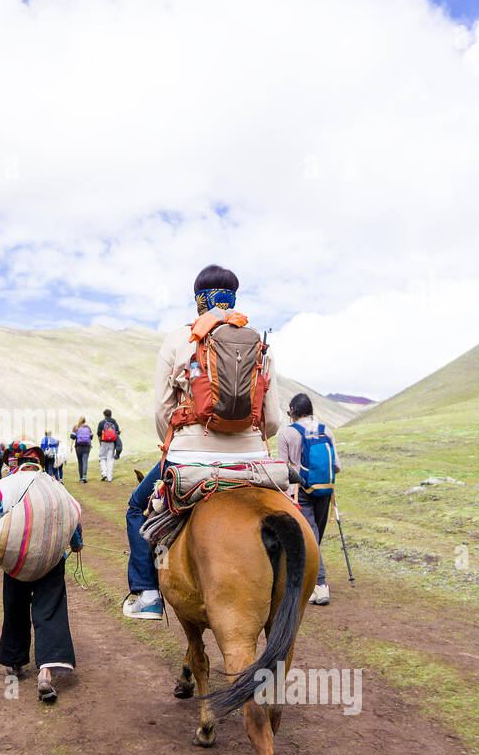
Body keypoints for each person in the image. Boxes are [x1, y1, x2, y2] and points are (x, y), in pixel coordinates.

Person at [123, 264, 283, 619]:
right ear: (232, 298)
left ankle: (148, 592)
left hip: (190, 457)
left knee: (137, 507)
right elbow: (271, 421)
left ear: (199, 300)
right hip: (253, 459)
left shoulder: (180, 339)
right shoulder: (261, 344)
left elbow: (162, 413)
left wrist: (183, 436)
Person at [0, 444, 83, 703]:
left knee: (15, 607)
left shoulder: (4, 485)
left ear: (15, 462)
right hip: (50, 559)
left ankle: (15, 663)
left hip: (17, 558)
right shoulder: (56, 486)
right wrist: (77, 543)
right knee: (50, 608)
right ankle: (45, 673)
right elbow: (73, 520)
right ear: (40, 462)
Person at [278, 392, 341, 606]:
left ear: (293, 411)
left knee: (310, 537)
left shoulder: (287, 433)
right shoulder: (326, 431)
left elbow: (281, 467)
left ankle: (320, 585)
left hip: (299, 491)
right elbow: (337, 466)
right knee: (315, 536)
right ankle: (310, 578)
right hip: (325, 490)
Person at [96, 409, 121, 482]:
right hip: (112, 443)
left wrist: (100, 441)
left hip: (103, 442)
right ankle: (110, 477)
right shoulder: (115, 423)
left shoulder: (101, 423)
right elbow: (117, 434)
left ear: (104, 415)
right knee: (110, 459)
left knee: (102, 458)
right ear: (111, 414)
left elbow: (98, 434)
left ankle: (104, 473)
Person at [72, 416, 92, 482]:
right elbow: (91, 436)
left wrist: (71, 446)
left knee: (80, 462)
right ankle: (84, 477)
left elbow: (72, 437)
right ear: (85, 421)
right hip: (87, 447)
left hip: (78, 447)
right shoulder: (88, 427)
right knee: (85, 461)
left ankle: (81, 478)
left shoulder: (76, 427)